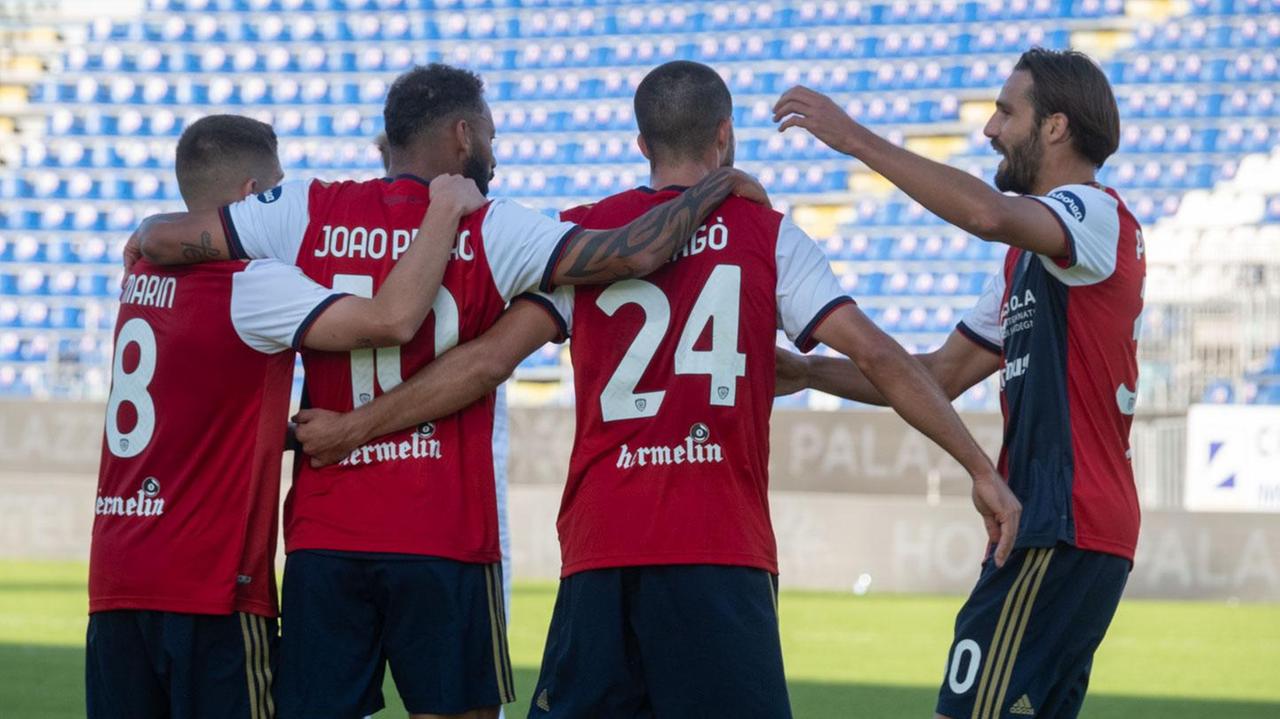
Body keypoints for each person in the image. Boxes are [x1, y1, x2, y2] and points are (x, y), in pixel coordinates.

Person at [290, 60, 1021, 719]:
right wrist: (980, 466)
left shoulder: (582, 235)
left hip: (603, 550)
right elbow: (882, 357)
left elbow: (484, 363)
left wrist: (358, 425)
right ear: (726, 136)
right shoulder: (767, 236)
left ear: (641, 144)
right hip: (718, 551)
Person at [128, 64, 769, 719]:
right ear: (463, 136)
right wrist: (716, 183)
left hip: (326, 533)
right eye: (488, 131)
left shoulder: (305, 207)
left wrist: (145, 237)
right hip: (443, 533)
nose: (493, 145)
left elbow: (172, 235)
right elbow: (635, 254)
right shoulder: (495, 227)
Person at [772, 47, 1143, 719]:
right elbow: (938, 375)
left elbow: (985, 213)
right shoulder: (1028, 262)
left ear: (1055, 127)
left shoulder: (1094, 212)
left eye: (1006, 111)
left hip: (1062, 521)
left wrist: (852, 139)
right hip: (1067, 526)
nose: (989, 130)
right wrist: (805, 370)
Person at [88, 114, 484, 719]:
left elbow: (203, 422)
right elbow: (391, 319)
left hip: (116, 576)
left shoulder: (140, 277)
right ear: (252, 198)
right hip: (209, 583)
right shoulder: (252, 285)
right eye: (276, 189)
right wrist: (443, 210)